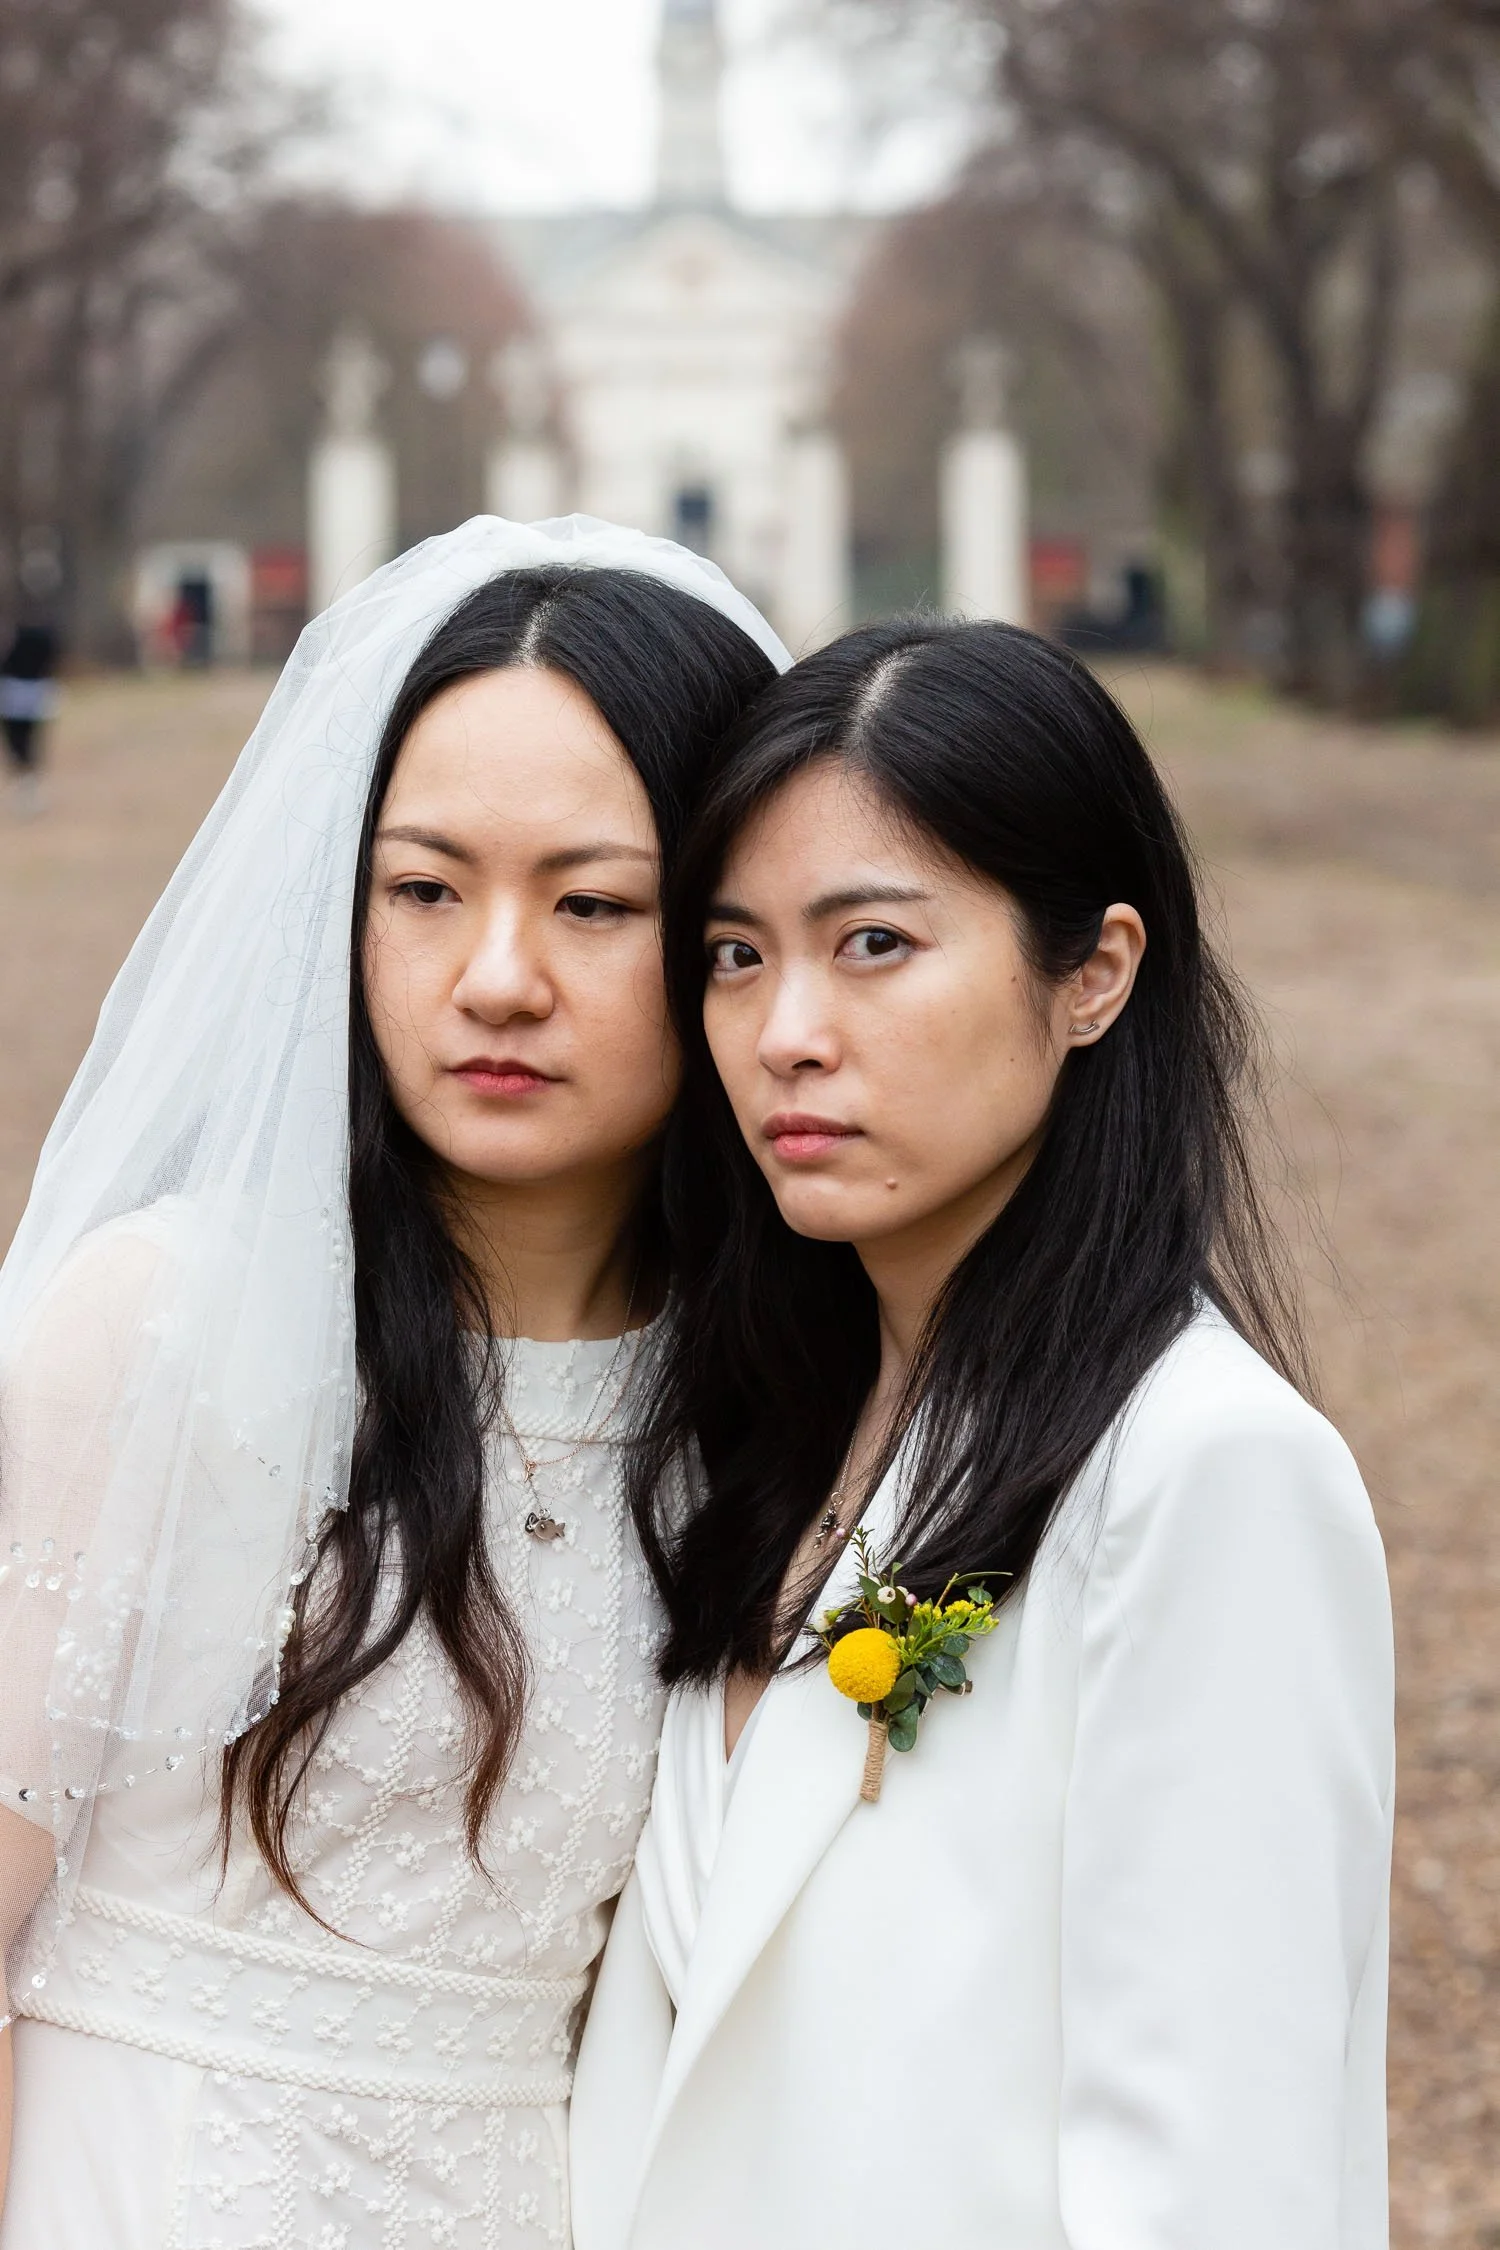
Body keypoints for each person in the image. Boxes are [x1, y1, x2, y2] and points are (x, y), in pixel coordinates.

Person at [0, 515, 785, 2248]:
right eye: (425, 889)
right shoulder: (168, 1327)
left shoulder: (767, 1410)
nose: (495, 977)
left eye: (593, 905)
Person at [571, 619, 1395, 2250]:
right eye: (736, 955)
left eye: (872, 943)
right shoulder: (742, 1445)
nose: (786, 1029)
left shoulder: (1203, 1473)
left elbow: (1222, 2189)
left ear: (1092, 973)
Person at [0, 618, 59, 817]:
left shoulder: (40, 631)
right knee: (19, 743)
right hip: (15, 693)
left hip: (31, 692)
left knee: (26, 742)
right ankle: (25, 786)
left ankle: (28, 787)